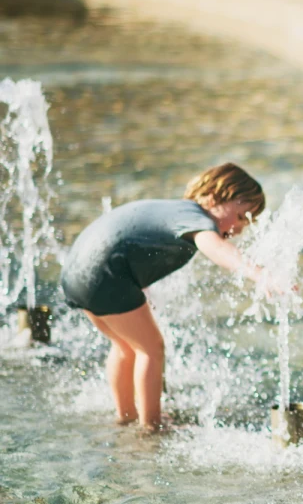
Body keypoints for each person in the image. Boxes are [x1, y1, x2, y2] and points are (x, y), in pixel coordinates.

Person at [61, 162, 276, 430]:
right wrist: (259, 274)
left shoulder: (175, 211)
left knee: (126, 347)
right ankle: (151, 427)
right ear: (212, 197)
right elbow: (215, 248)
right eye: (241, 216)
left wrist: (139, 286)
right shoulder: (197, 218)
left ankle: (125, 416)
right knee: (151, 348)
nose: (241, 228)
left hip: (77, 272)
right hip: (106, 273)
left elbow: (130, 238)